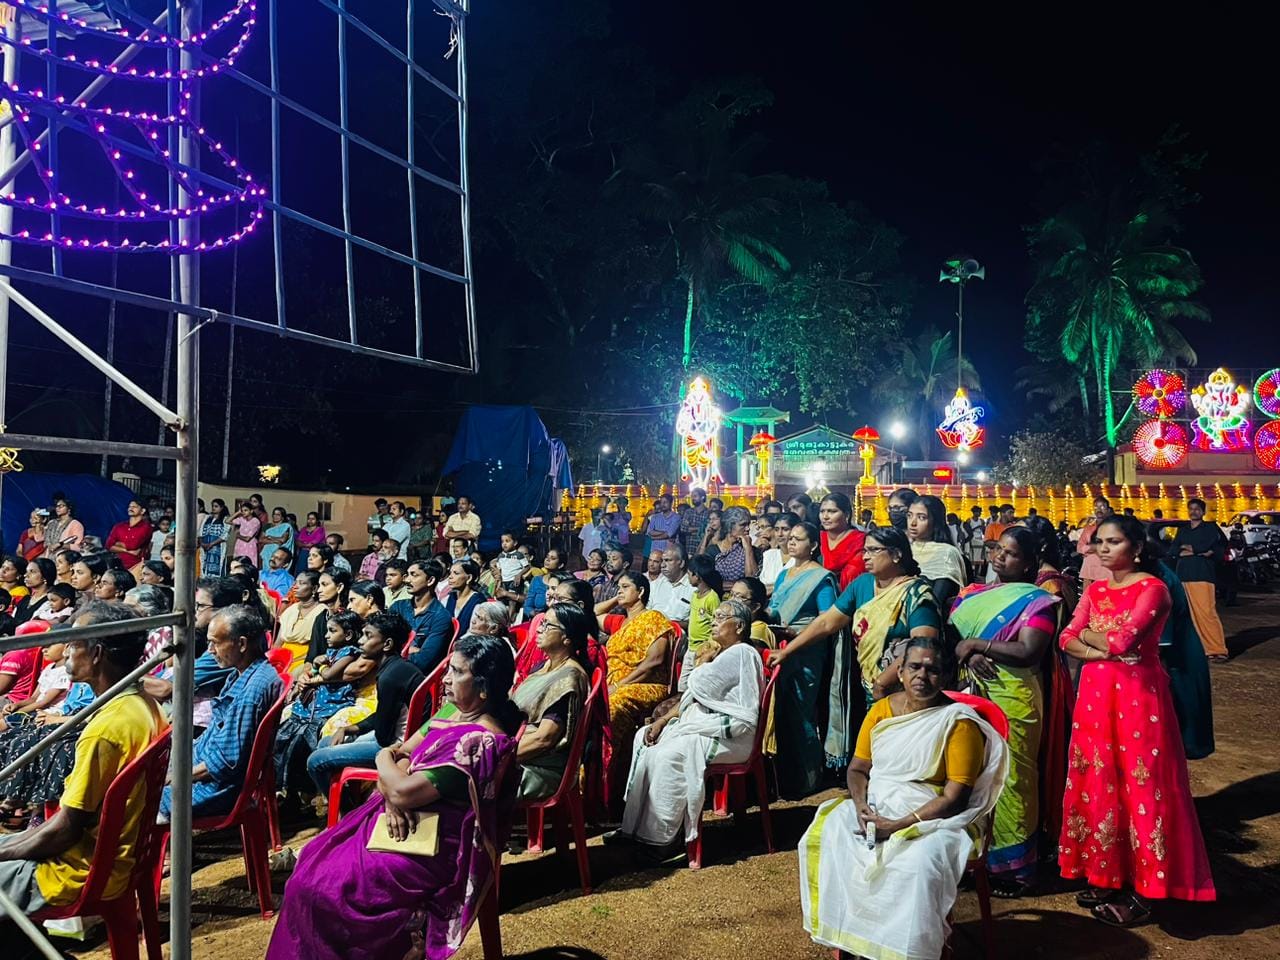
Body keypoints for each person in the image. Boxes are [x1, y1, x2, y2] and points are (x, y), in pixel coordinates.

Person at [266, 634, 521, 960]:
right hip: (401, 820)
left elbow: (400, 776)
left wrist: (384, 765)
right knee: (313, 861)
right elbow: (403, 754)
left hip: (434, 845)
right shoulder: (452, 712)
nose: (444, 678)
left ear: (484, 688)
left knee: (320, 889)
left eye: (457, 672)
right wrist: (392, 793)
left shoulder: (478, 742)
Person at [798, 637, 1009, 960]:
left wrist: (897, 825)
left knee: (918, 862)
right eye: (914, 667)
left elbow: (955, 797)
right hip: (876, 804)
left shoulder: (958, 723)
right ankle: (857, 937)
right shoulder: (882, 711)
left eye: (933, 670)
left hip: (933, 817)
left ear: (946, 677)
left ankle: (906, 950)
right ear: (900, 672)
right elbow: (857, 769)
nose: (922, 676)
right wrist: (861, 807)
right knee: (829, 833)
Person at [1057, 514, 1216, 925]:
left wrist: (1093, 641)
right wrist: (1099, 652)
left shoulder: (1155, 589)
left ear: (1138, 547)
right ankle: (1105, 873)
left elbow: (1123, 640)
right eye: (1099, 542)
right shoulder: (1094, 590)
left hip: (1137, 700)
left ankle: (1147, 891)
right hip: (1094, 696)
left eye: (1113, 541)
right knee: (1097, 781)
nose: (1103, 549)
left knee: (1141, 788)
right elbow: (1065, 637)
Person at [0, 603, 165, 919]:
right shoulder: (142, 704)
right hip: (117, 859)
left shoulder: (104, 730)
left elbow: (65, 831)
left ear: (97, 653)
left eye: (73, 645)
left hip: (76, 872)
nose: (64, 655)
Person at [949, 526, 1062, 896]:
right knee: (974, 774)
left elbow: (1029, 651)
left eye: (1011, 554)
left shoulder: (1038, 601)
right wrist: (973, 651)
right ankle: (975, 855)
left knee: (1013, 779)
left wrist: (977, 643)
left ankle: (1015, 869)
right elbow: (953, 644)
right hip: (975, 694)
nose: (999, 557)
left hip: (1015, 697)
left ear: (1029, 562)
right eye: (997, 549)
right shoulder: (974, 595)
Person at [771, 527, 939, 772]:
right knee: (876, 750)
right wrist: (787, 652)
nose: (865, 557)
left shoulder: (915, 593)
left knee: (902, 753)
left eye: (873, 550)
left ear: (896, 555)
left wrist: (884, 680)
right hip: (869, 685)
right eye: (864, 550)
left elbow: (923, 645)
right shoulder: (862, 585)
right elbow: (828, 622)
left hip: (904, 689)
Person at [616, 598, 763, 849]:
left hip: (733, 736)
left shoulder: (741, 652)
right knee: (643, 737)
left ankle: (662, 840)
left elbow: (698, 684)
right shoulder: (723, 654)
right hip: (709, 726)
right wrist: (662, 721)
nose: (713, 622)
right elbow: (689, 697)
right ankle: (634, 828)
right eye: (713, 617)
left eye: (720, 618)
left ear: (739, 626)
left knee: (667, 755)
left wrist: (701, 663)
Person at [160, 605, 284, 821]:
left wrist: (178, 776)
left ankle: (172, 853)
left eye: (215, 643)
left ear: (242, 644)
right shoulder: (242, 674)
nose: (210, 650)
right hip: (206, 770)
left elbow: (226, 761)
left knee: (141, 796)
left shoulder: (252, 690)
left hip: (217, 788)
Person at [307, 611, 424, 795]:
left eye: (368, 636)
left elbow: (383, 739)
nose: (360, 641)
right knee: (326, 742)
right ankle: (345, 802)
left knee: (315, 761)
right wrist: (349, 729)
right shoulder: (395, 667)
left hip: (396, 744)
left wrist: (355, 735)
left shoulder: (390, 677)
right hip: (391, 733)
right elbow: (384, 714)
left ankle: (348, 812)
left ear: (387, 644)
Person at [764, 521, 838, 797]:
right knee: (779, 712)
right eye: (789, 538)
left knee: (801, 713)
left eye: (798, 538)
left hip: (806, 650)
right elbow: (775, 610)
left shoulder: (821, 578)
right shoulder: (785, 575)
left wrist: (795, 633)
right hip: (779, 646)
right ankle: (782, 779)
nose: (791, 542)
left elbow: (828, 619)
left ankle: (808, 779)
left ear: (814, 546)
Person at [602, 572, 676, 800]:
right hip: (614, 683)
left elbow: (654, 661)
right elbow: (590, 612)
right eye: (618, 587)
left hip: (647, 684)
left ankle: (611, 783)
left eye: (625, 587)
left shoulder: (653, 618)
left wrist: (620, 685)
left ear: (641, 592)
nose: (619, 591)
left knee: (612, 705)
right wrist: (618, 599)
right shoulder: (620, 622)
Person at [512, 603, 591, 800]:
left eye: (547, 625)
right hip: (520, 752)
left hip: (539, 768)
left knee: (458, 779)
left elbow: (544, 739)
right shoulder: (544, 666)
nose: (539, 628)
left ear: (566, 638)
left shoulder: (567, 679)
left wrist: (497, 758)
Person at [1170, 498, 1229, 661]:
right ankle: (1197, 649)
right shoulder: (1183, 530)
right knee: (1186, 615)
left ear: (1203, 512)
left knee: (1206, 613)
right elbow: (1173, 550)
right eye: (1191, 508)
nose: (1193, 511)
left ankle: (1217, 650)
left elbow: (1211, 546)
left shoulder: (1210, 528)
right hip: (1183, 575)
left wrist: (1191, 549)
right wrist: (1195, 550)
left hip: (1202, 575)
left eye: (1197, 509)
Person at [906, 494, 967, 614]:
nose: (912, 523)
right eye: (909, 515)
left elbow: (937, 600)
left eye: (921, 517)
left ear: (935, 521)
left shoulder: (946, 553)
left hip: (928, 619)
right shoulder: (905, 549)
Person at [275, 572, 324, 671]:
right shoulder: (290, 610)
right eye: (295, 583)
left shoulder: (322, 612)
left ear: (314, 589)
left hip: (304, 660)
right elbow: (277, 644)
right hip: (281, 660)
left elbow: (319, 648)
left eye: (301, 583)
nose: (296, 587)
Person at [818, 493, 866, 590]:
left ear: (847, 515)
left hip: (852, 595)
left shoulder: (860, 540)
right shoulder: (817, 538)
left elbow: (854, 575)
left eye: (832, 511)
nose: (825, 516)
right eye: (822, 511)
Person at [104, 499, 153, 573]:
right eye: (129, 506)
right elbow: (108, 545)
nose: (130, 508)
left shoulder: (146, 527)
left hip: (136, 566)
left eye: (134, 507)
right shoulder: (119, 526)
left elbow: (133, 545)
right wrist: (127, 551)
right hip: (117, 565)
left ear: (142, 511)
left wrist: (117, 544)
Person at [712, 506, 759, 582]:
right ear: (729, 526)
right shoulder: (713, 551)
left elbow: (753, 579)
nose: (748, 528)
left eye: (748, 524)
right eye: (743, 525)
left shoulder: (752, 550)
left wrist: (748, 549)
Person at [1076, 496, 1114, 589]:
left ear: (1108, 509)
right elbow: (1080, 547)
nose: (1099, 509)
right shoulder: (1089, 528)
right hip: (1090, 570)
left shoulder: (1114, 527)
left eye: (1102, 507)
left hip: (1108, 570)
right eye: (1096, 507)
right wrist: (1090, 548)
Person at [443, 558, 486, 638]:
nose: (450, 577)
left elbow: (474, 632)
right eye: (450, 573)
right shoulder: (448, 598)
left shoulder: (479, 602)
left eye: (456, 573)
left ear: (469, 578)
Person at [729, 577, 773, 648]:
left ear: (755, 607)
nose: (732, 601)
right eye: (731, 595)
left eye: (739, 597)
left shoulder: (758, 629)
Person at [522, 547, 564, 620]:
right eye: (547, 557)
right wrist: (536, 615)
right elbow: (527, 606)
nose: (547, 560)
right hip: (538, 619)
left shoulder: (564, 582)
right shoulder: (537, 580)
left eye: (553, 558)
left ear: (560, 565)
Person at [13, 558, 56, 626]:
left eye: (32, 571)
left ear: (45, 576)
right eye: (26, 571)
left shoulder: (51, 601)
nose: (26, 575)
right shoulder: (25, 599)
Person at [199, 499, 232, 578]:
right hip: (205, 547)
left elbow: (225, 535)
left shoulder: (225, 519)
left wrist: (212, 544)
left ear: (221, 508)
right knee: (204, 567)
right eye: (213, 506)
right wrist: (202, 544)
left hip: (218, 547)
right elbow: (200, 533)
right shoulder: (207, 518)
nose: (213, 508)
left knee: (218, 569)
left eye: (216, 506)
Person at [643, 494, 681, 560]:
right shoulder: (655, 517)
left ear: (671, 503)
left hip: (669, 551)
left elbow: (669, 534)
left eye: (665, 502)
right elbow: (649, 532)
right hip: (655, 551)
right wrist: (665, 533)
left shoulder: (676, 517)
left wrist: (654, 537)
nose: (662, 504)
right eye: (661, 502)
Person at [679, 488, 712, 556]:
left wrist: (691, 528)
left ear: (702, 497)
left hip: (704, 549)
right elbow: (683, 528)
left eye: (695, 496)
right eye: (692, 496)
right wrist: (700, 528)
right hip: (689, 548)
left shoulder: (708, 513)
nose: (693, 498)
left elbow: (708, 529)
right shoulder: (689, 512)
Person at [965, 504, 988, 574]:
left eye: (979, 512)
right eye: (977, 512)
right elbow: (968, 531)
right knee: (973, 557)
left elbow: (984, 531)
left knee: (979, 558)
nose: (979, 513)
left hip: (980, 539)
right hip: (973, 539)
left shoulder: (981, 521)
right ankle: (973, 572)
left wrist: (983, 528)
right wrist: (977, 527)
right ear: (973, 512)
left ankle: (977, 572)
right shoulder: (969, 520)